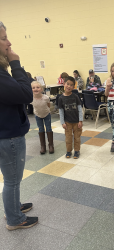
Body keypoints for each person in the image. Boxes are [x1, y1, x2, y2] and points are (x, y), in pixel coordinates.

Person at [0, 21, 38, 230]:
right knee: (12, 180)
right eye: (4, 38)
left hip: (6, 134)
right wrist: (16, 64)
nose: (9, 42)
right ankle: (14, 219)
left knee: (11, 178)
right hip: (9, 137)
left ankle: (13, 208)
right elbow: (26, 94)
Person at [58, 76, 83, 159]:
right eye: (67, 84)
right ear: (64, 84)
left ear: (74, 87)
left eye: (71, 85)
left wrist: (80, 120)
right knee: (68, 138)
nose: (69, 86)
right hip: (67, 122)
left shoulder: (75, 97)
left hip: (76, 122)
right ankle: (68, 151)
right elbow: (61, 111)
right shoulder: (61, 98)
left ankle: (76, 151)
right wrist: (62, 122)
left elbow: (80, 109)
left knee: (77, 137)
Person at [31, 81, 54, 154]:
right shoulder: (31, 98)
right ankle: (43, 146)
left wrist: (47, 111)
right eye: (33, 88)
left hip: (47, 114)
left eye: (37, 87)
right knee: (41, 129)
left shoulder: (45, 97)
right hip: (38, 115)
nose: (36, 89)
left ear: (41, 89)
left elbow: (48, 105)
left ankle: (51, 145)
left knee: (48, 128)